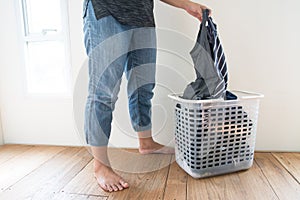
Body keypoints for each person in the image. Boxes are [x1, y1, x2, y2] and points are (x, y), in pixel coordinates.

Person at [82, 0, 211, 193]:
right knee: (104, 91)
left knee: (144, 85)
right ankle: (100, 165)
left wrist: (186, 4)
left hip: (142, 15)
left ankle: (146, 142)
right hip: (106, 10)